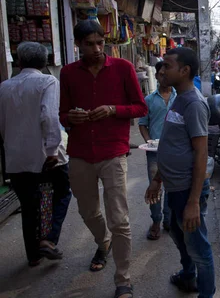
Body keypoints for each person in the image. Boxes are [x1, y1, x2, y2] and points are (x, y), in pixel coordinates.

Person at [60, 20, 147, 298]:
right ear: (78, 45)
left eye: (101, 43)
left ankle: (123, 280)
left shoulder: (123, 68)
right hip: (80, 152)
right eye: (89, 44)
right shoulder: (68, 73)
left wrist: (112, 109)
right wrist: (70, 118)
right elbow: (62, 114)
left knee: (119, 219)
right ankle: (103, 241)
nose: (97, 49)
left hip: (113, 152)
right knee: (88, 211)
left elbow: (139, 107)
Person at [145, 47, 215, 297]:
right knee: (178, 233)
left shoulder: (194, 104)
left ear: (184, 71)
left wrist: (194, 201)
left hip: (188, 190)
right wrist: (157, 179)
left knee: (198, 247)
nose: (162, 70)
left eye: (167, 65)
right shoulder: (178, 99)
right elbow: (171, 144)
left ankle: (206, 293)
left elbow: (201, 154)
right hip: (174, 188)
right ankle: (188, 276)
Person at [0, 42, 71, 267]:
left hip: (15, 157)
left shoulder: (4, 86)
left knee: (29, 206)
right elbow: (49, 116)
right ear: (44, 62)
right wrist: (52, 150)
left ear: (19, 62)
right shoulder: (48, 81)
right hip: (44, 155)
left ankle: (33, 255)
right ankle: (48, 240)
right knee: (61, 194)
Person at [139, 62, 176, 240]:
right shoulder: (149, 100)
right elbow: (142, 125)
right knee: (155, 186)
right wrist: (149, 142)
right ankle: (156, 221)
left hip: (175, 151)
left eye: (166, 73)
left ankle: (168, 220)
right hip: (154, 153)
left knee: (171, 187)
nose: (164, 77)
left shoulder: (180, 97)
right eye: (160, 74)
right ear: (156, 76)